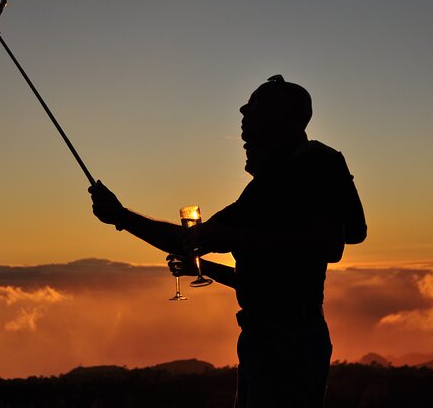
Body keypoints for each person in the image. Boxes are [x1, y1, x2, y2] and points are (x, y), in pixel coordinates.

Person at [89, 75, 367, 407]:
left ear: (282, 118)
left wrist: (232, 237)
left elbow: (333, 244)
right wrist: (124, 218)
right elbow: (197, 243)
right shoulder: (261, 191)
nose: (243, 112)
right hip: (267, 339)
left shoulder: (315, 164)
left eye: (254, 106)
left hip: (288, 342)